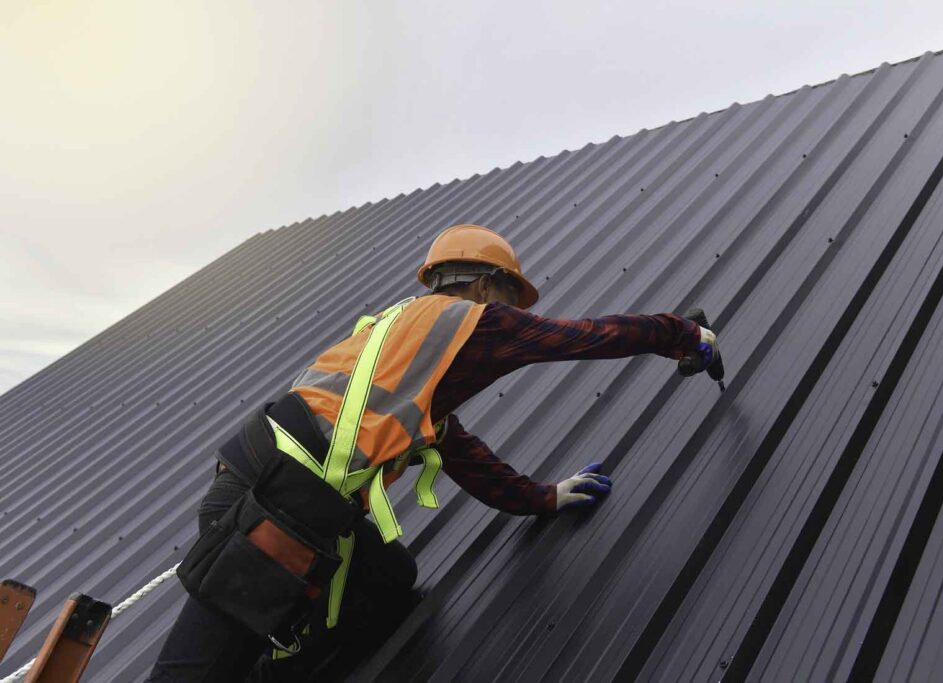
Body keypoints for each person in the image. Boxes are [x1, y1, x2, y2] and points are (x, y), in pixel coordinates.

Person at [147, 224, 719, 682]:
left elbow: (462, 453)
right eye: (509, 295)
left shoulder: (402, 343)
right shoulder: (476, 321)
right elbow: (589, 336)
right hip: (270, 513)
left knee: (391, 578)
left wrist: (543, 497)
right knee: (192, 673)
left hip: (277, 496)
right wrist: (684, 336)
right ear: (484, 284)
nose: (513, 311)